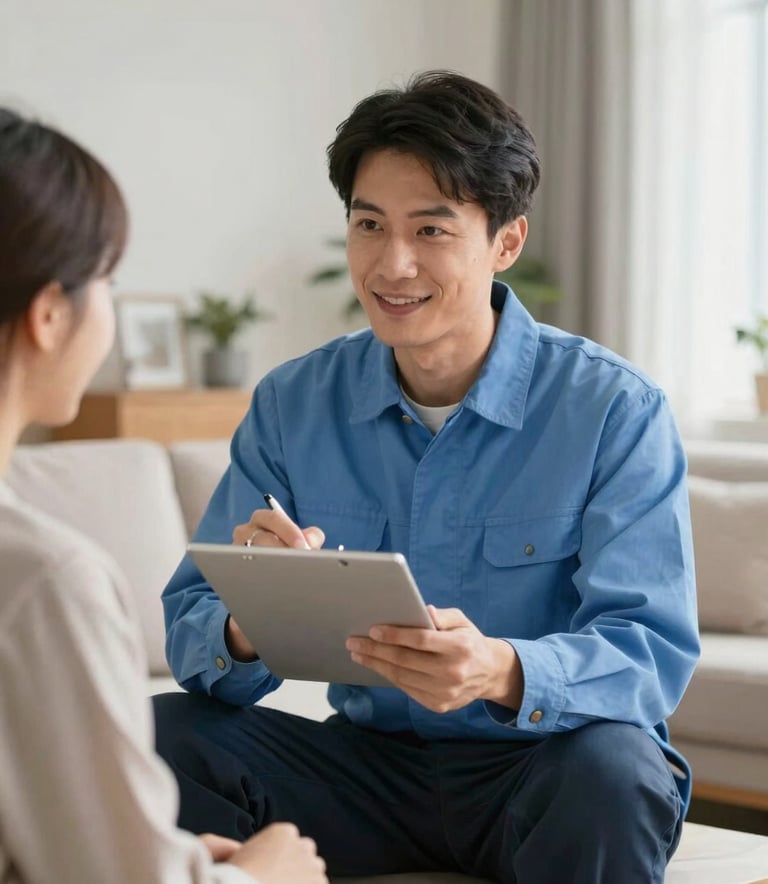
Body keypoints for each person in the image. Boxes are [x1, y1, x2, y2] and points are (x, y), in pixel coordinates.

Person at [154, 71, 700, 884]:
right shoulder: (294, 402)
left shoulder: (613, 410)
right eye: (368, 224)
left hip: (539, 769)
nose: (392, 263)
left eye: (432, 230)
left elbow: (651, 652)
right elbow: (191, 621)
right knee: (155, 734)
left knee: (616, 772)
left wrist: (503, 670)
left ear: (505, 241)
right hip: (363, 771)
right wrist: (249, 621)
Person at [0, 108, 328, 884]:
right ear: (50, 314)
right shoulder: (43, 579)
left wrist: (174, 858)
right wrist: (260, 876)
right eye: (108, 281)